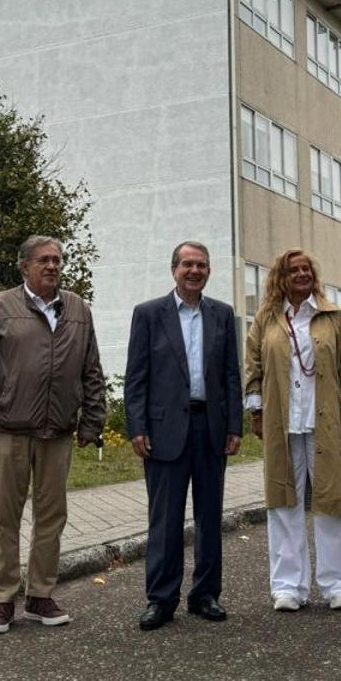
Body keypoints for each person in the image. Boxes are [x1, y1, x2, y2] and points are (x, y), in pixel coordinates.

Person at [0, 235, 106, 634]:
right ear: (24, 267)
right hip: (8, 432)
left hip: (58, 433)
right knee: (5, 518)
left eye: (58, 259)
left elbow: (91, 370)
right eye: (44, 260)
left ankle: (40, 595)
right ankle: (3, 599)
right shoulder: (0, 307)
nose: (53, 266)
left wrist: (92, 421)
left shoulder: (78, 309)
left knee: (52, 517)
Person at [124, 241, 243, 631]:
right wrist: (137, 426)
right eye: (188, 264)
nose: (195, 271)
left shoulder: (223, 315)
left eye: (202, 265)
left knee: (210, 517)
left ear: (209, 271)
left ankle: (205, 594)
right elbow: (136, 377)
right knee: (165, 519)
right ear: (174, 269)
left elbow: (230, 376)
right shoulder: (148, 314)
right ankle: (161, 599)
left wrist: (234, 426)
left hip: (210, 427)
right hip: (163, 431)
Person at [244, 248, 341, 612]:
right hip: (283, 424)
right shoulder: (266, 320)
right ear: (281, 277)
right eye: (293, 270)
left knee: (332, 503)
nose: (301, 275)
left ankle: (339, 584)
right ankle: (288, 587)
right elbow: (253, 367)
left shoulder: (332, 316)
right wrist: (257, 412)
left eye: (306, 269)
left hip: (324, 422)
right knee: (282, 504)